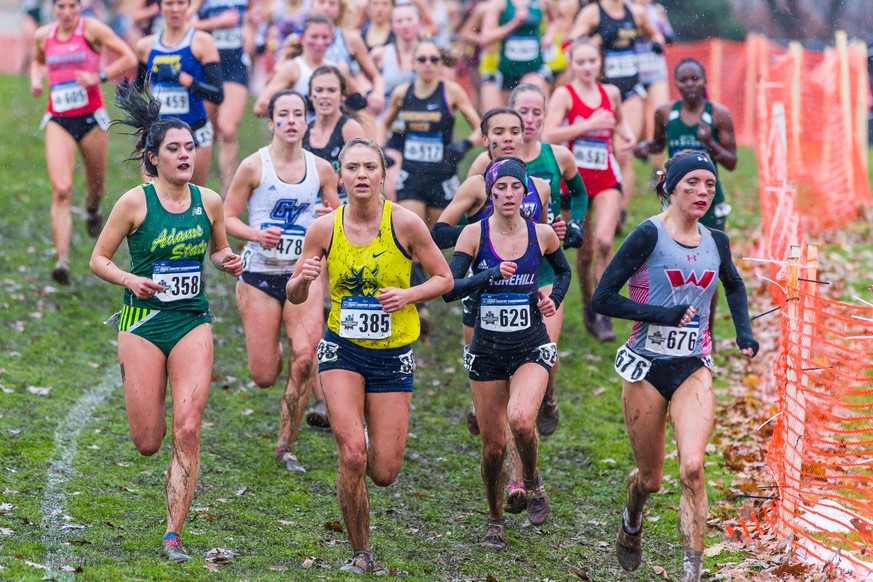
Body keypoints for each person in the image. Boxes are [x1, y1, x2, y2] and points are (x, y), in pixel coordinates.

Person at [89, 83, 243, 562]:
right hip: (142, 322)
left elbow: (217, 249)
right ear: (153, 158)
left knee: (188, 429)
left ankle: (173, 535)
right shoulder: (134, 203)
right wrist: (129, 279)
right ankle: (145, 392)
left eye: (189, 147)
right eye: (174, 149)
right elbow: (98, 259)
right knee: (147, 441)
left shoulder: (209, 200)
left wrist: (228, 260)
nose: (185, 155)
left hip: (191, 320)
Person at [286, 138, 453, 573]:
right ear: (340, 176)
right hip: (342, 350)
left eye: (370, 167)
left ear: (382, 175)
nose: (361, 175)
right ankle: (361, 552)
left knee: (383, 471)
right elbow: (295, 293)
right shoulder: (324, 229)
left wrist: (408, 295)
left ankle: (363, 443)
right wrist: (302, 281)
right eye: (352, 168)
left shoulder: (406, 223)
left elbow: (444, 278)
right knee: (353, 455)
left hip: (392, 355)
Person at [591, 151, 757, 581]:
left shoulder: (716, 241)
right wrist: (660, 314)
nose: (702, 192)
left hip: (692, 366)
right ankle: (633, 514)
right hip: (645, 368)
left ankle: (692, 573)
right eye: (692, 184)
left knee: (694, 468)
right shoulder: (648, 235)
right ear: (671, 187)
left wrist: (744, 333)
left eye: (709, 184)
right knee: (651, 479)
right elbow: (602, 298)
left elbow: (734, 284)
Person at [443, 157, 571, 550]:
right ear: (490, 194)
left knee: (520, 419)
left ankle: (531, 479)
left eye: (516, 187)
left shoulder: (542, 234)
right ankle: (495, 519)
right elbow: (450, 288)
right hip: (487, 351)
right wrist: (489, 275)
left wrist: (553, 300)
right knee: (493, 446)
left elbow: (563, 272)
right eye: (501, 188)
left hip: (530, 345)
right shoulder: (473, 234)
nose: (509, 195)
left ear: (525, 193)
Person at [224, 89, 340, 472]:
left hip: (303, 276)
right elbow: (226, 218)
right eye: (284, 114)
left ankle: (284, 445)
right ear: (271, 122)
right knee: (263, 375)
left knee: (305, 359)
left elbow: (341, 218)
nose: (291, 121)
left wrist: (330, 215)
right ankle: (270, 338)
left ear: (307, 122)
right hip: (259, 275)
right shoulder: (253, 167)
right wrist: (256, 235)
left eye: (298, 114)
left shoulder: (322, 169)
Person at [30, 0, 138, 285]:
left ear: (80, 7)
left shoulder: (92, 30)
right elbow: (38, 60)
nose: (67, 13)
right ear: (53, 8)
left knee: (96, 187)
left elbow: (128, 57)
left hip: (91, 119)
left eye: (72, 6)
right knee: (61, 190)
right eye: (61, 7)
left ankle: (92, 209)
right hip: (58, 119)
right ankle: (62, 261)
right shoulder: (43, 35)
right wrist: (36, 79)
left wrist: (98, 76)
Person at [634, 57, 737, 336]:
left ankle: (705, 333)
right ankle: (670, 326)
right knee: (670, 263)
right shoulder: (666, 113)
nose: (690, 84)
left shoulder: (718, 115)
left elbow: (731, 162)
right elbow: (658, 144)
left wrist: (710, 143)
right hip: (675, 202)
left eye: (695, 79)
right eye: (683, 80)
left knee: (709, 269)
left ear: (704, 82)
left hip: (709, 201)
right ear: (676, 84)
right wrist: (643, 148)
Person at [543, 38, 634, 343]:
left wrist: (627, 137)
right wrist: (586, 125)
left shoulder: (611, 93)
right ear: (572, 64)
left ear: (600, 62)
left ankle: (603, 311)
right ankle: (587, 304)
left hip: (606, 180)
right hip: (574, 184)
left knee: (605, 242)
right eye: (580, 62)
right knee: (584, 255)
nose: (586, 67)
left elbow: (619, 122)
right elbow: (548, 134)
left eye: (592, 61)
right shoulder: (564, 94)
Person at [568, 0, 663, 234]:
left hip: (630, 92)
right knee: (603, 152)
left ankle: (620, 212)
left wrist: (656, 43)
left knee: (623, 152)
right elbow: (570, 45)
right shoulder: (592, 13)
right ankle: (594, 203)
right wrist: (596, 41)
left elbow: (655, 35)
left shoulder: (637, 13)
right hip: (601, 92)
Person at [135, 0, 225, 187]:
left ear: (188, 6)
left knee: (192, 196)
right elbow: (139, 87)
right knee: (154, 195)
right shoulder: (145, 45)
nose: (175, 9)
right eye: (169, 3)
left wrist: (184, 80)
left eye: (180, 3)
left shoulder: (203, 42)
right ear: (159, 7)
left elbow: (217, 94)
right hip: (157, 133)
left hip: (195, 131)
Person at [189, 0, 254, 196]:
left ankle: (229, 195)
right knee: (204, 129)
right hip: (206, 67)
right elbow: (184, 25)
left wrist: (250, 28)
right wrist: (217, 22)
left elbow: (251, 18)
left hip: (235, 67)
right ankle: (194, 191)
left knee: (227, 130)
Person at [254, 15, 336, 116]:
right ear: (301, 38)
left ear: (332, 39)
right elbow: (259, 109)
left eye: (325, 37)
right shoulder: (292, 68)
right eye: (314, 37)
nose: (320, 42)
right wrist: (298, 107)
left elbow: (354, 102)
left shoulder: (336, 68)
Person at [478, 0, 554, 103]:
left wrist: (549, 36)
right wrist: (514, 24)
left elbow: (554, 21)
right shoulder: (499, 3)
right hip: (507, 70)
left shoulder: (542, 2)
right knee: (509, 110)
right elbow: (485, 37)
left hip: (534, 68)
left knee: (530, 101)